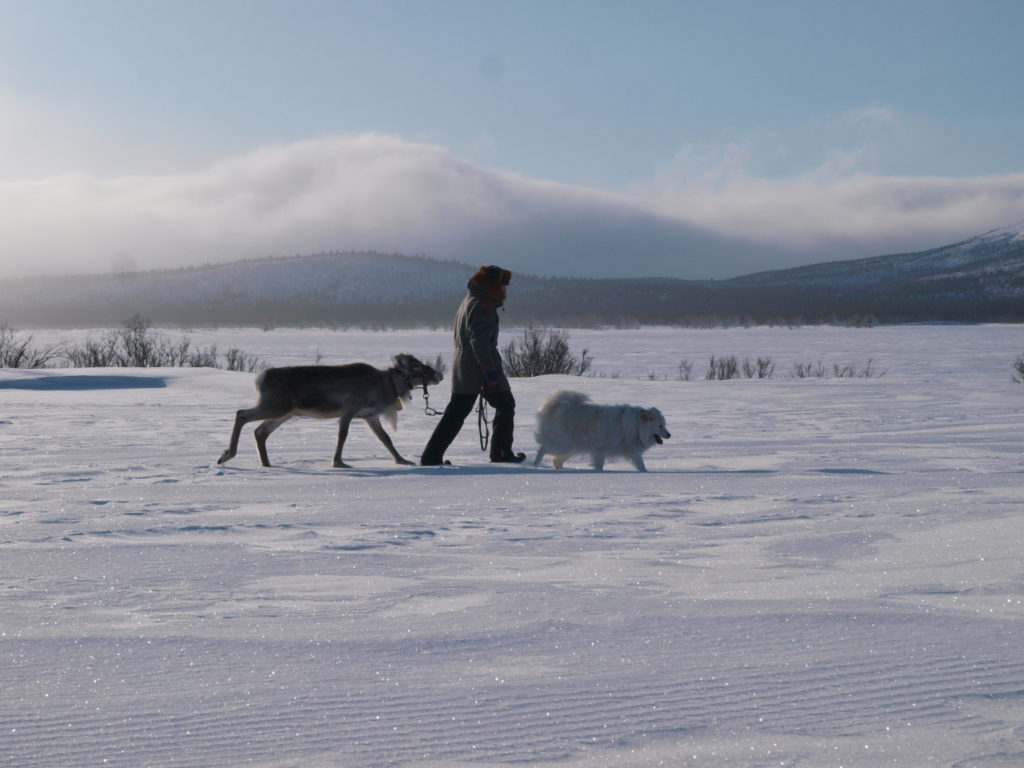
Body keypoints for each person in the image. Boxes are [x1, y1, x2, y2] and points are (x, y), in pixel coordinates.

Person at [420, 265, 526, 465]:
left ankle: (431, 457)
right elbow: (480, 343)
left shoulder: (469, 300)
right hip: (479, 368)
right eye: (502, 284)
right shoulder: (483, 305)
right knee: (505, 405)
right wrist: (491, 374)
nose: (504, 289)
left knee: (456, 412)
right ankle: (501, 454)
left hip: (465, 367)